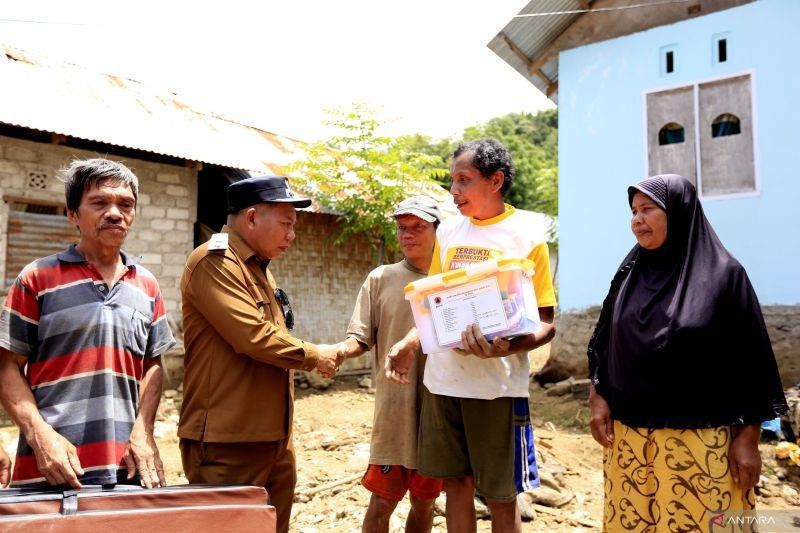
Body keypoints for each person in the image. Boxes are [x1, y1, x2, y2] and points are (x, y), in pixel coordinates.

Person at [587, 174, 788, 531]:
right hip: (632, 441)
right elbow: (604, 339)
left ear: (679, 212)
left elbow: (753, 360)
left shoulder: (725, 277)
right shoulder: (630, 272)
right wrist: (598, 395)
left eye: (648, 209)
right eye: (633, 211)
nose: (637, 219)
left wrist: (749, 438)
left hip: (700, 441)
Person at [387, 138, 557, 533]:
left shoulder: (527, 236)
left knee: (500, 494)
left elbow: (546, 322)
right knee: (456, 485)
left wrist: (505, 348)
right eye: (453, 181)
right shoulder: (448, 233)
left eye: (464, 180)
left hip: (496, 387)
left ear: (495, 180)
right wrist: (410, 343)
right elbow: (434, 303)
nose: (454, 191)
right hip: (444, 381)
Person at [178, 175, 340, 533]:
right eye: (286, 224)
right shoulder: (215, 262)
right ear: (252, 218)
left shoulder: (258, 269)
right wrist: (315, 355)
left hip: (272, 439)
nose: (292, 235)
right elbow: (253, 337)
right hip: (228, 443)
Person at [0, 158, 175, 489]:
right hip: (52, 466)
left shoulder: (147, 284)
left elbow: (152, 364)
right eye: (99, 203)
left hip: (129, 466)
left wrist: (143, 431)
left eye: (125, 204)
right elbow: (6, 365)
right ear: (72, 213)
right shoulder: (37, 278)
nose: (114, 212)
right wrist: (40, 435)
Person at [334, 196, 444, 533]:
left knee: (424, 502)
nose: (408, 234)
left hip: (438, 412)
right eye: (402, 228)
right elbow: (360, 338)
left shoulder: (455, 280)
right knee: (381, 502)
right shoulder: (381, 278)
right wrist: (335, 353)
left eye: (418, 227)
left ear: (437, 231)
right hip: (394, 414)